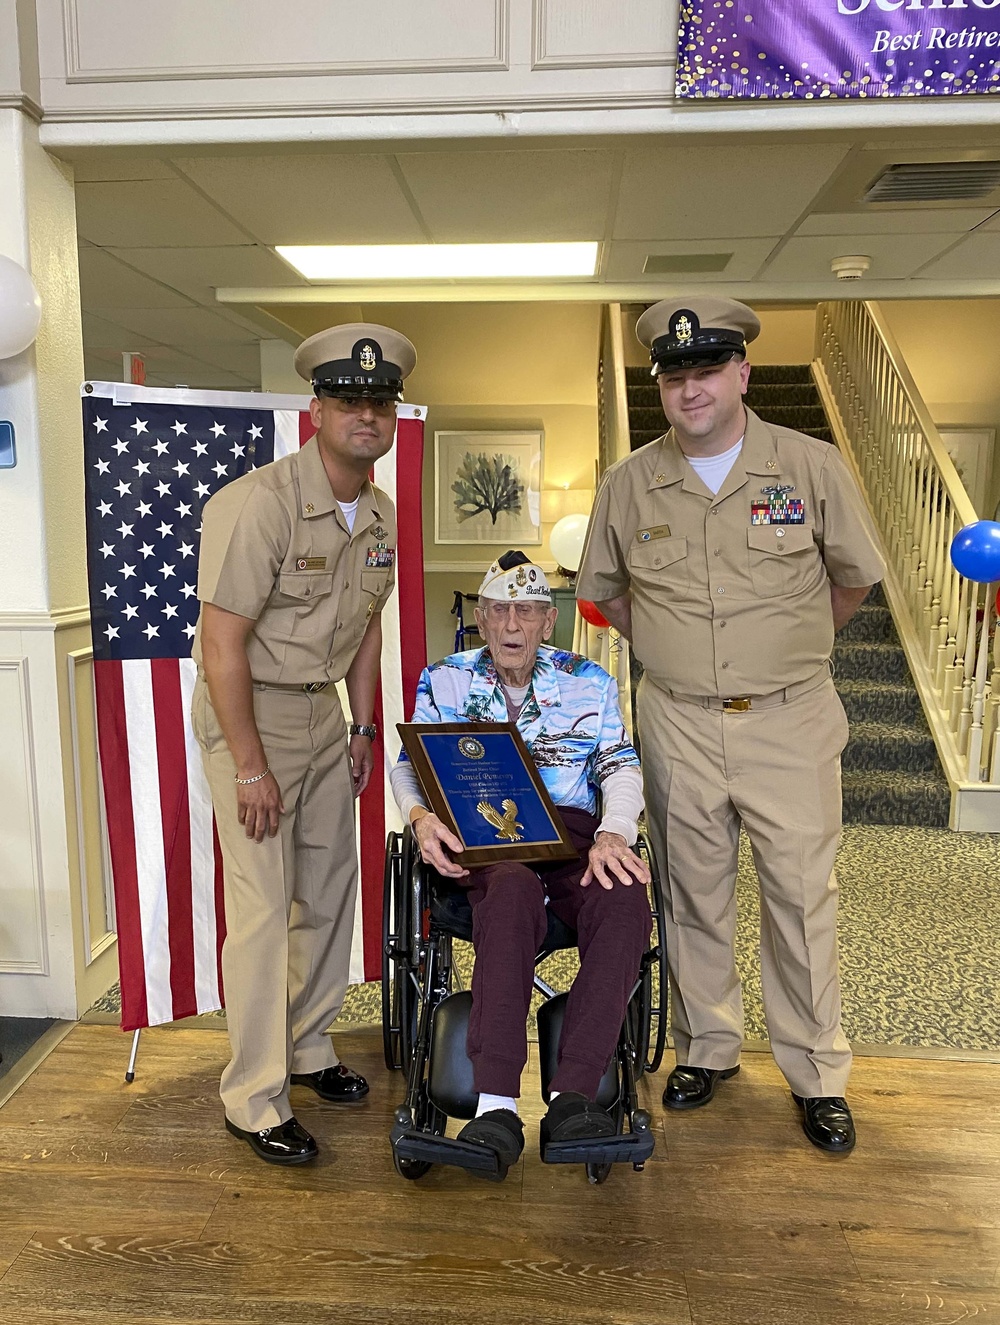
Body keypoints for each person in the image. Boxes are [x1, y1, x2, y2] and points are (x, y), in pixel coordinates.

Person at [577, 297, 884, 1154]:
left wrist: (778, 652)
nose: (691, 389)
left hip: (790, 721)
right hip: (678, 722)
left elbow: (852, 580)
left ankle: (817, 1073)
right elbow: (606, 594)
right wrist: (684, 658)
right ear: (662, 390)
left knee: (799, 900)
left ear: (742, 373)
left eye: (707, 370)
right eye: (675, 377)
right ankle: (707, 1047)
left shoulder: (809, 465)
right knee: (692, 898)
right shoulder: (629, 483)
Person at [191, 322, 416, 1164]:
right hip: (250, 713)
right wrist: (249, 764)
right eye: (350, 400)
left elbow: (365, 631)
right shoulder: (260, 504)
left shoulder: (382, 514)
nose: (367, 414)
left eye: (380, 400)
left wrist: (361, 726)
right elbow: (222, 645)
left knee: (326, 887)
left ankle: (308, 1044)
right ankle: (253, 1094)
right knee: (261, 907)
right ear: (315, 409)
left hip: (324, 716)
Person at [390, 552, 653, 1180]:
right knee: (508, 892)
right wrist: (421, 819)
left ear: (547, 622)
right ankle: (496, 1105)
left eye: (528, 612)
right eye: (500, 610)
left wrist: (615, 833)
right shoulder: (444, 679)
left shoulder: (588, 680)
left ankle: (573, 1100)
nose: (513, 624)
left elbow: (619, 765)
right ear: (481, 618)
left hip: (572, 831)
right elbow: (410, 762)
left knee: (625, 899)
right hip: (487, 836)